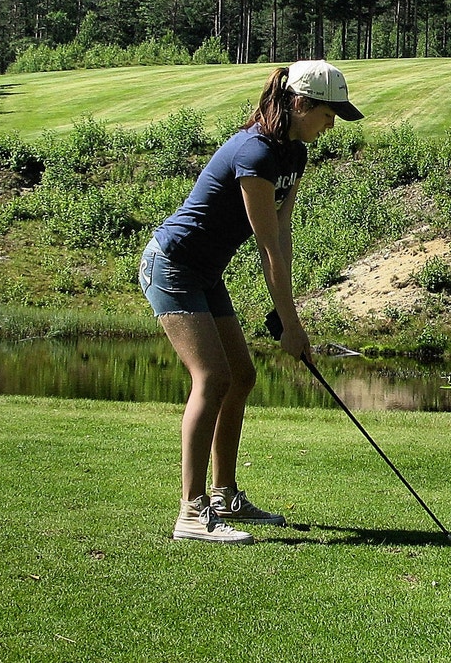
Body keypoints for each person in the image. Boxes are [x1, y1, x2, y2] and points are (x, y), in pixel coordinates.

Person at [139, 60, 363, 544]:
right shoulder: (255, 153)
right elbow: (265, 246)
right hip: (172, 266)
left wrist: (289, 317)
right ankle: (192, 512)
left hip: (204, 272)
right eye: (328, 114)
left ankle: (224, 495)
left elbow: (281, 237)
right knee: (213, 377)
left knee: (241, 375)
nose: (331, 125)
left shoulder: (293, 156)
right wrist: (290, 323)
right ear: (300, 104)